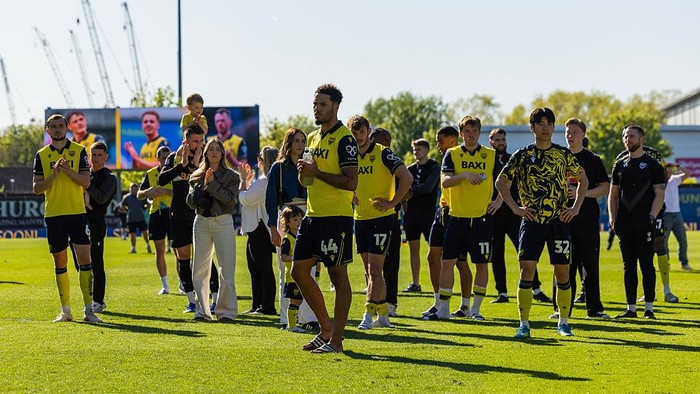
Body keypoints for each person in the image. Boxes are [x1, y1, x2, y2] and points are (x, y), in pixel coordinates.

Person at [496, 107, 588, 338]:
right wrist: (516, 208)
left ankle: (564, 323)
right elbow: (501, 181)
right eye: (541, 123)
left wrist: (575, 208)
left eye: (549, 123)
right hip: (532, 221)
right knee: (527, 270)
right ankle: (524, 324)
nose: (545, 127)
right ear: (532, 127)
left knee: (563, 272)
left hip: (559, 220)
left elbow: (583, 180)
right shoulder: (523, 155)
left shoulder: (563, 154)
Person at [293, 83, 358, 354]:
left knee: (338, 277)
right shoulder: (312, 138)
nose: (316, 109)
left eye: (322, 104)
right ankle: (325, 329)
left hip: (336, 217)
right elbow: (307, 179)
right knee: (298, 272)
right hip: (312, 215)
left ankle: (338, 341)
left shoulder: (345, 139)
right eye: (314, 104)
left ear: (335, 106)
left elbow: (351, 182)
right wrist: (305, 173)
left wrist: (316, 173)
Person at [425, 116, 500, 321]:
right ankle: (443, 309)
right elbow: (446, 182)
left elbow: (506, 180)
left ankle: (474, 309)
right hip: (456, 217)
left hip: (481, 218)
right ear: (461, 134)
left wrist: (499, 201)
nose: (471, 134)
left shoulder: (490, 155)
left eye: (474, 130)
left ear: (479, 132)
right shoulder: (452, 154)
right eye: (467, 131)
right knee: (447, 262)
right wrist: (465, 175)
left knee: (481, 264)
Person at [32, 114, 102, 323]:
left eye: (60, 126)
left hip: (76, 213)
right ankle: (66, 310)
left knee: (85, 259)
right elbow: (37, 188)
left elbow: (86, 182)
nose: (57, 129)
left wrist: (67, 170)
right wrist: (53, 175)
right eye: (52, 126)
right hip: (54, 214)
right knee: (60, 261)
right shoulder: (42, 155)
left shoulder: (79, 151)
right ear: (47, 130)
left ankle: (89, 310)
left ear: (66, 128)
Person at [348, 115, 412, 330]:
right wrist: (350, 194)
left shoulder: (383, 153)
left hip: (382, 219)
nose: (358, 137)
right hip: (360, 218)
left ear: (368, 132)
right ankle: (383, 316)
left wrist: (393, 202)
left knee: (375, 270)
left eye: (362, 132)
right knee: (370, 272)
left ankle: (368, 314)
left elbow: (407, 178)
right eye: (354, 133)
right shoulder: (349, 155)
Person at [550, 119, 610, 319]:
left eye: (575, 132)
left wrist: (581, 193)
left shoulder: (592, 159)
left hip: (587, 220)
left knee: (590, 265)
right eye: (568, 131)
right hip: (561, 220)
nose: (570, 135)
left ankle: (595, 309)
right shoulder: (557, 156)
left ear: (583, 135)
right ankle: (561, 309)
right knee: (562, 265)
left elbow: (605, 187)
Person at [609, 123, 666, 319]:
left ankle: (649, 308)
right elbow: (613, 195)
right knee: (628, 266)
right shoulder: (619, 164)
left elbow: (660, 193)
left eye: (632, 136)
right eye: (625, 136)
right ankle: (631, 309)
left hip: (645, 221)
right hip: (624, 222)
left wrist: (652, 216)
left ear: (641, 139)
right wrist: (612, 218)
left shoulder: (653, 165)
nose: (628, 140)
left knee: (647, 265)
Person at [488, 128, 550, 304]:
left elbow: (508, 182)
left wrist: (504, 202)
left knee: (526, 252)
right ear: (491, 142)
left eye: (502, 139)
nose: (501, 142)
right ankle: (502, 292)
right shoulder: (487, 161)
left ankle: (535, 288)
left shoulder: (513, 159)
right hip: (494, 214)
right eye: (497, 140)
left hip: (515, 212)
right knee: (497, 254)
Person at [265, 128, 318, 330]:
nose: (300, 144)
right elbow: (270, 200)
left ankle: (309, 318)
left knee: (310, 268)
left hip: (308, 214)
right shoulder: (278, 168)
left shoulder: (310, 166)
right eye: (296, 140)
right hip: (285, 215)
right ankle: (287, 318)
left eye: (303, 141)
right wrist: (272, 228)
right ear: (289, 142)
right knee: (284, 270)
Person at [186, 138, 240, 322]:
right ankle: (202, 311)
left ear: (223, 153)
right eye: (211, 149)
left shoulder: (232, 176)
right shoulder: (196, 175)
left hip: (222, 222)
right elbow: (189, 201)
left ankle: (226, 312)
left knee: (227, 269)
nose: (214, 152)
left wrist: (211, 184)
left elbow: (228, 200)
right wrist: (198, 191)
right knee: (199, 269)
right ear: (206, 153)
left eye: (218, 149)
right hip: (201, 222)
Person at [615, 145, 678, 302]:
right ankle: (648, 294)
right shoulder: (623, 157)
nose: (629, 140)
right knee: (636, 255)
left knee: (659, 245)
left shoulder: (654, 155)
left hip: (653, 211)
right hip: (631, 214)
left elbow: (664, 178)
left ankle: (667, 289)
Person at [422, 126, 472, 318]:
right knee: (432, 257)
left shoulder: (460, 155)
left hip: (457, 214)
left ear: (453, 139)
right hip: (441, 211)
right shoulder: (447, 157)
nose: (438, 145)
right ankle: (438, 302)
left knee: (459, 260)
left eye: (441, 141)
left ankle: (466, 305)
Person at [159, 123, 206, 313]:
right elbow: (162, 179)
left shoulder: (206, 158)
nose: (200, 144)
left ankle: (211, 299)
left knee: (204, 258)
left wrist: (196, 165)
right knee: (183, 258)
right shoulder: (174, 158)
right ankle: (191, 300)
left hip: (200, 214)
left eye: (202, 140)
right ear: (186, 141)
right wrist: (182, 166)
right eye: (196, 141)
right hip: (178, 214)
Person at [239, 146, 279, 315]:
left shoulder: (264, 181)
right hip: (255, 227)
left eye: (260, 157)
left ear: (263, 161)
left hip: (259, 227)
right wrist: (247, 181)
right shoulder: (263, 180)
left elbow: (245, 199)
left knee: (263, 268)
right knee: (255, 268)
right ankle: (258, 304)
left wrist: (242, 181)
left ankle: (267, 305)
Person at [369, 127, 402, 317]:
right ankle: (375, 300)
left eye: (388, 140)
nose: (386, 143)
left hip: (390, 218)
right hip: (367, 218)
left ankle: (391, 302)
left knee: (391, 263)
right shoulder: (364, 157)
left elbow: (407, 188)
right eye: (382, 140)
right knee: (372, 266)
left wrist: (393, 202)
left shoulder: (392, 162)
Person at [83, 142, 117, 313]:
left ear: (105, 157)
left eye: (99, 155)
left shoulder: (109, 177)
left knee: (96, 262)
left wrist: (87, 186)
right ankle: (89, 297)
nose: (95, 158)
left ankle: (98, 300)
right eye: (93, 155)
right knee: (81, 263)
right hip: (81, 222)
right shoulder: (86, 174)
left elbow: (102, 198)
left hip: (96, 224)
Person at [403, 138, 440, 293]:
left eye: (418, 149)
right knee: (413, 248)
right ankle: (416, 283)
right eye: (414, 150)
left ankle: (440, 283)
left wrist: (411, 190)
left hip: (428, 213)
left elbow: (428, 187)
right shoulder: (410, 169)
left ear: (426, 150)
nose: (415, 152)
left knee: (435, 249)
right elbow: (402, 190)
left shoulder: (434, 167)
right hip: (412, 213)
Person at [138, 146, 174, 295]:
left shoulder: (175, 173)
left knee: (180, 250)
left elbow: (183, 193)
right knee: (159, 251)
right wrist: (148, 192)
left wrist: (166, 191)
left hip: (173, 213)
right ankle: (165, 285)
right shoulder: (151, 174)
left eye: (168, 158)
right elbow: (140, 194)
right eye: (163, 158)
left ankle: (182, 283)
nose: (166, 160)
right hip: (156, 214)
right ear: (157, 158)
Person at [279, 205, 307, 332]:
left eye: (300, 219)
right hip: (291, 276)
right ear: (287, 222)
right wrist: (296, 258)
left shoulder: (301, 237)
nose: (298, 222)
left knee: (299, 300)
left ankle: (293, 323)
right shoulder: (287, 239)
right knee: (294, 301)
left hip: (301, 275)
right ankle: (291, 326)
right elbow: (283, 257)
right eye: (295, 219)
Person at [664, 163, 693, 272]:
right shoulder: (660, 181)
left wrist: (678, 166)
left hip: (677, 214)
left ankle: (684, 263)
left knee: (683, 241)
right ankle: (666, 263)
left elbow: (689, 173)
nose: (669, 172)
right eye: (667, 170)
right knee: (664, 242)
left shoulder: (674, 180)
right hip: (666, 215)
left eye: (670, 170)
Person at [120, 183, 151, 254]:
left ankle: (147, 245)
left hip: (141, 218)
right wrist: (127, 211)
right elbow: (122, 206)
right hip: (131, 219)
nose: (133, 190)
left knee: (144, 233)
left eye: (134, 188)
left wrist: (145, 208)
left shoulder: (141, 196)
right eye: (131, 188)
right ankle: (133, 248)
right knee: (132, 234)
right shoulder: (126, 197)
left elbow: (147, 204)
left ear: (137, 189)